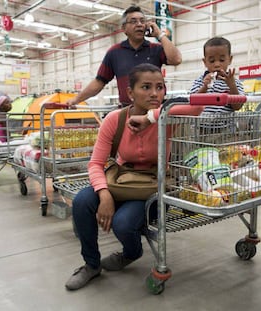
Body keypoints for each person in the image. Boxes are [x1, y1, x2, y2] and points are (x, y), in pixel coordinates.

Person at [65, 63, 203, 291]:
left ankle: (132, 252)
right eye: (146, 87)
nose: (154, 93)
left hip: (153, 187)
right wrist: (104, 195)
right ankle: (91, 264)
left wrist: (151, 117)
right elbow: (96, 164)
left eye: (160, 87)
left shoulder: (166, 117)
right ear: (130, 93)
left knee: (123, 223)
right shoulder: (114, 120)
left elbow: (195, 110)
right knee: (82, 202)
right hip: (122, 180)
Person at [65, 5, 182, 108]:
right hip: (127, 112)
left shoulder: (155, 49)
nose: (139, 24)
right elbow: (99, 81)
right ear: (124, 28)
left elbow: (176, 59)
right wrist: (76, 99)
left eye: (142, 21)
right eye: (134, 21)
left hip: (154, 112)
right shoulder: (114, 52)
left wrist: (160, 35)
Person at [189, 36, 245, 139]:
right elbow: (192, 102)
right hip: (201, 131)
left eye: (222, 60)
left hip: (225, 132)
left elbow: (237, 106)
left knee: (225, 154)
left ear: (230, 59)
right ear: (204, 62)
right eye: (211, 61)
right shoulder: (200, 81)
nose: (217, 64)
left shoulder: (235, 82)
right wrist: (204, 87)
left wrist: (231, 85)